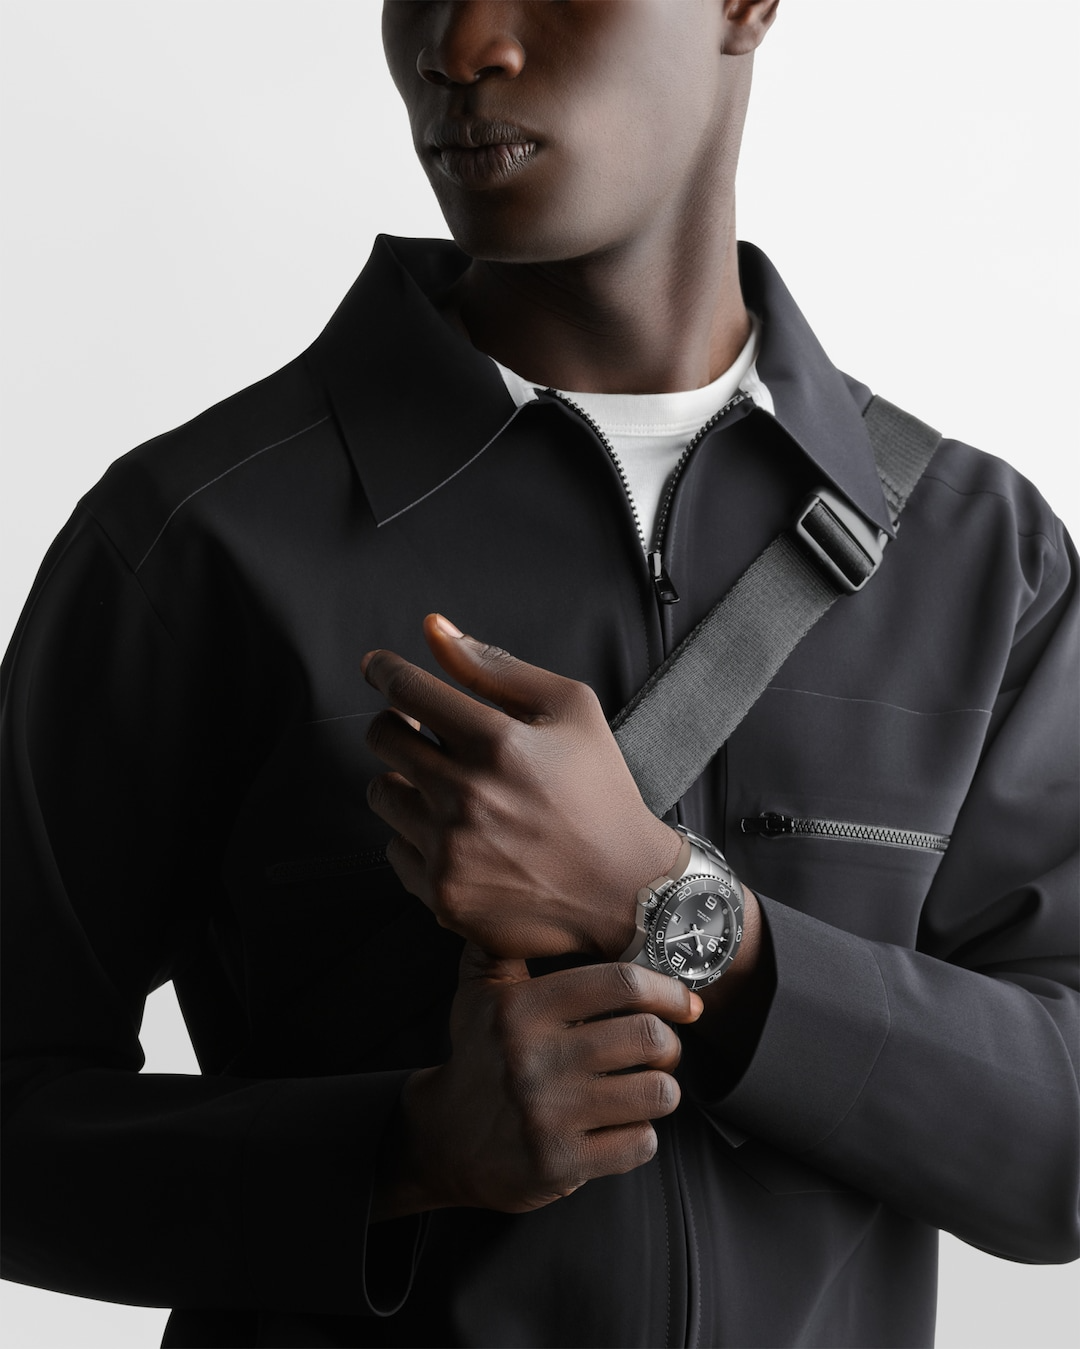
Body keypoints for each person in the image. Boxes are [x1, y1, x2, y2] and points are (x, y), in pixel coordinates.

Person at [2, 3, 1077, 1347]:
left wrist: (680, 914)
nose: (460, 46)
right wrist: (399, 1153)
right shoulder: (194, 543)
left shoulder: (982, 557)